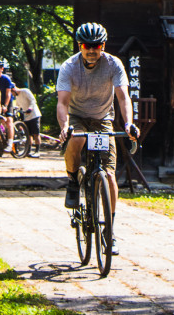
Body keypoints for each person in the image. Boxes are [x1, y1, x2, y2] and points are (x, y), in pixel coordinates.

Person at [57, 22, 139, 253]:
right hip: (77, 115)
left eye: (97, 45)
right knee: (76, 139)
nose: (92, 50)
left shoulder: (114, 64)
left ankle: (109, 230)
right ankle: (73, 181)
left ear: (103, 46)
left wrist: (128, 123)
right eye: (86, 45)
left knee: (109, 175)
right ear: (79, 46)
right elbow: (62, 102)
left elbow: (123, 97)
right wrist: (65, 127)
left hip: (103, 117)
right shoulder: (69, 66)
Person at [0, 60, 15, 149]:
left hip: (7, 101)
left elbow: (8, 94)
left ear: (2, 69)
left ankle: (10, 143)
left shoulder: (6, 79)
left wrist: (5, 106)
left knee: (8, 121)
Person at [12, 85, 43, 157]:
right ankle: (28, 150)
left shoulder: (25, 91)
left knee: (36, 133)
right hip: (26, 117)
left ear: (14, 89)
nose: (12, 94)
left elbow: (33, 100)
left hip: (34, 115)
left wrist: (30, 108)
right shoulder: (17, 97)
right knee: (28, 134)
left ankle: (37, 151)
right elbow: (18, 106)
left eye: (12, 92)